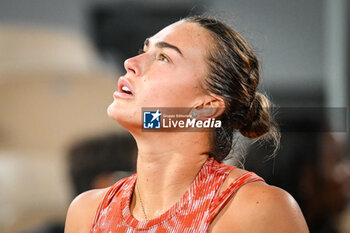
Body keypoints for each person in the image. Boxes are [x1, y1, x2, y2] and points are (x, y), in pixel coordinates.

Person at [65, 16, 309, 232]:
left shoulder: (257, 210)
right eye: (144, 49)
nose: (131, 62)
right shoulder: (87, 213)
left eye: (163, 57)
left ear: (206, 107)